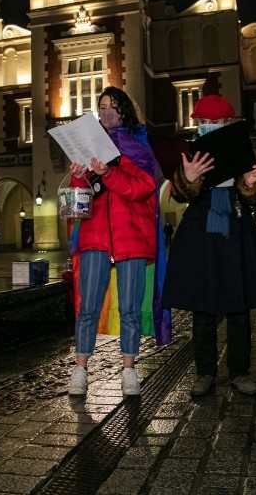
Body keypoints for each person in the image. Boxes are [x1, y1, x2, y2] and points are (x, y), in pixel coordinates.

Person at [162, 94, 256, 396]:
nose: (207, 127)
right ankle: (205, 373)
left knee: (238, 305)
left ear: (228, 122)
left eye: (213, 122)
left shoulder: (239, 147)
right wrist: (187, 178)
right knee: (203, 307)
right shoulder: (188, 152)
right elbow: (180, 195)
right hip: (201, 231)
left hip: (235, 227)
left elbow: (252, 199)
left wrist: (252, 184)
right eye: (201, 122)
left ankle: (240, 372)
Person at [67, 86, 164, 397]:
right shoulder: (89, 146)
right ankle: (80, 369)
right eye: (102, 107)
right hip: (95, 235)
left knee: (130, 308)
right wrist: (78, 175)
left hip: (131, 236)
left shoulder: (139, 148)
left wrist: (109, 173)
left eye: (113, 107)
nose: (106, 112)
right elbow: (80, 199)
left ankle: (129, 369)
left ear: (125, 111)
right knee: (88, 307)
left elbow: (143, 188)